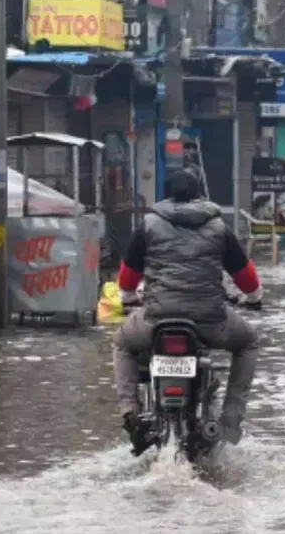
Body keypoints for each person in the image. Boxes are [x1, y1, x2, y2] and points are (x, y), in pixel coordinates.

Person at [112, 167, 263, 455]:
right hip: (210, 322)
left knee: (122, 343)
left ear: (166, 194)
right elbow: (246, 278)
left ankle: (131, 417)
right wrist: (254, 298)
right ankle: (230, 420)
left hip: (157, 321)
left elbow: (128, 277)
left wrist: (128, 299)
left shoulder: (148, 225)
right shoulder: (220, 228)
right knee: (249, 341)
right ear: (199, 196)